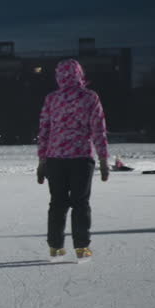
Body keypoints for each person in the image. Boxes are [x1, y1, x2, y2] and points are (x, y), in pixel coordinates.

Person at [36, 58, 109, 260]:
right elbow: (98, 129)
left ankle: (55, 246)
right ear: (80, 74)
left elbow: (44, 130)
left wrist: (42, 161)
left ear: (58, 76)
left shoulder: (52, 99)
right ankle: (82, 246)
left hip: (55, 159)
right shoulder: (89, 97)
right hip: (81, 158)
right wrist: (103, 159)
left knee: (57, 203)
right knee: (80, 203)